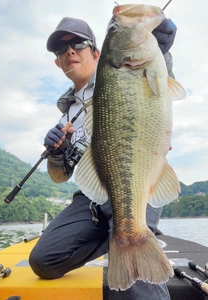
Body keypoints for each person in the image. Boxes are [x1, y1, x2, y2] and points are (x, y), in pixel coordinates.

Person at [29, 14, 177, 299]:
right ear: (57, 62)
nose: (69, 51)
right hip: (94, 197)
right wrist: (56, 154)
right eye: (61, 49)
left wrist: (162, 48)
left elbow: (157, 77)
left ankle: (128, 235)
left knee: (135, 281)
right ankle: (113, 235)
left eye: (78, 44)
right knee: (43, 261)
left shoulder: (122, 72)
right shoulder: (67, 113)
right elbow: (61, 177)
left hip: (138, 178)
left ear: (96, 53)